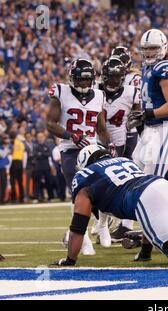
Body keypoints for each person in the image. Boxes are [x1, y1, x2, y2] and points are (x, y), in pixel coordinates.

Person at [51, 145, 168, 267]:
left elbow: (79, 226)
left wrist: (70, 260)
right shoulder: (124, 161)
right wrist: (145, 252)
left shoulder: (84, 176)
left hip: (146, 196)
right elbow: (147, 216)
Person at [46, 58, 111, 255]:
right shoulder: (61, 92)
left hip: (92, 149)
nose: (84, 84)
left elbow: (101, 128)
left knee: (104, 190)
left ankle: (101, 225)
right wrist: (70, 135)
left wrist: (111, 145)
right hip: (70, 149)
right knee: (78, 193)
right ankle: (82, 239)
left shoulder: (99, 95)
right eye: (81, 80)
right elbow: (50, 123)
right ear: (72, 78)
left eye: (87, 80)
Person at [95, 56, 140, 245]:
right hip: (96, 142)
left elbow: (138, 116)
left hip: (120, 141)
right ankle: (101, 223)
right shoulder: (95, 91)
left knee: (111, 185)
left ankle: (105, 224)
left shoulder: (131, 92)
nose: (113, 81)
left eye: (117, 77)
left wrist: (134, 128)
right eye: (110, 77)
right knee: (97, 185)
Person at [130, 28, 168, 177]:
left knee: (152, 177)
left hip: (165, 127)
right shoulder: (147, 67)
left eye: (153, 48)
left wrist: (146, 113)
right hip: (150, 128)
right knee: (134, 172)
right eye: (146, 48)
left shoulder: (165, 67)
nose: (149, 52)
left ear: (163, 47)